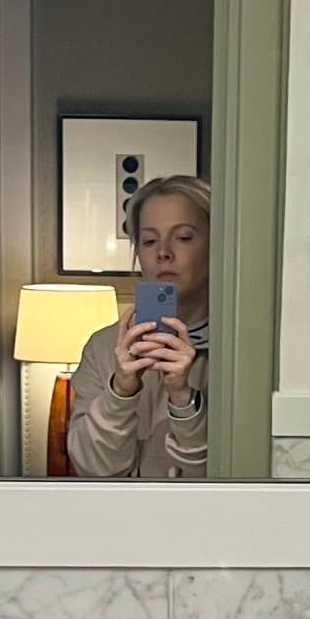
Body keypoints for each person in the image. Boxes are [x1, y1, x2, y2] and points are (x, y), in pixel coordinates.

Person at [67, 176, 210, 479]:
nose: (163, 253)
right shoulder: (104, 348)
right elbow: (92, 470)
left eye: (183, 237)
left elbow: (228, 476)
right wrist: (120, 391)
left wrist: (183, 398)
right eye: (148, 241)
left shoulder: (238, 351)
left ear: (216, 245)